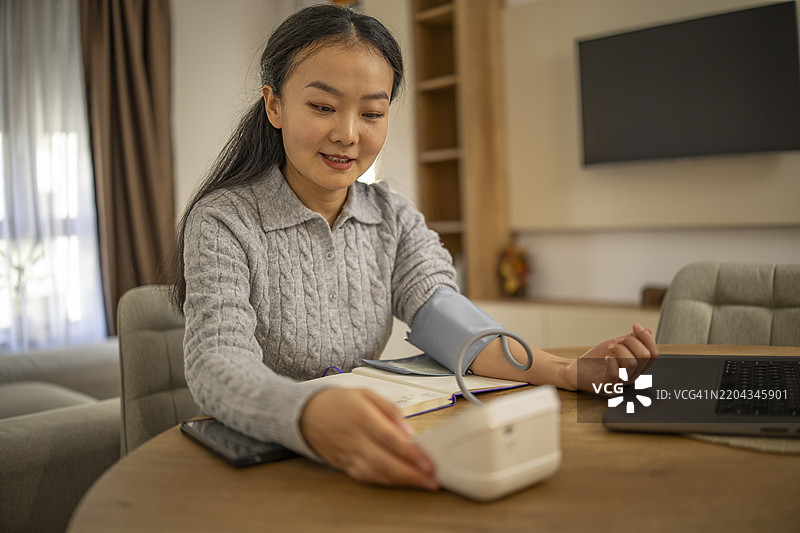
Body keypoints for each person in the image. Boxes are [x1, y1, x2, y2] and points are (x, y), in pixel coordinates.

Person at [170, 4, 658, 492]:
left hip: (360, 452)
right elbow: (217, 363)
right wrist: (308, 411)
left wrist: (565, 370)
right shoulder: (224, 220)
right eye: (323, 107)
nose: (347, 133)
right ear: (274, 105)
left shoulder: (391, 216)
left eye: (372, 113)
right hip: (258, 462)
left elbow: (445, 316)